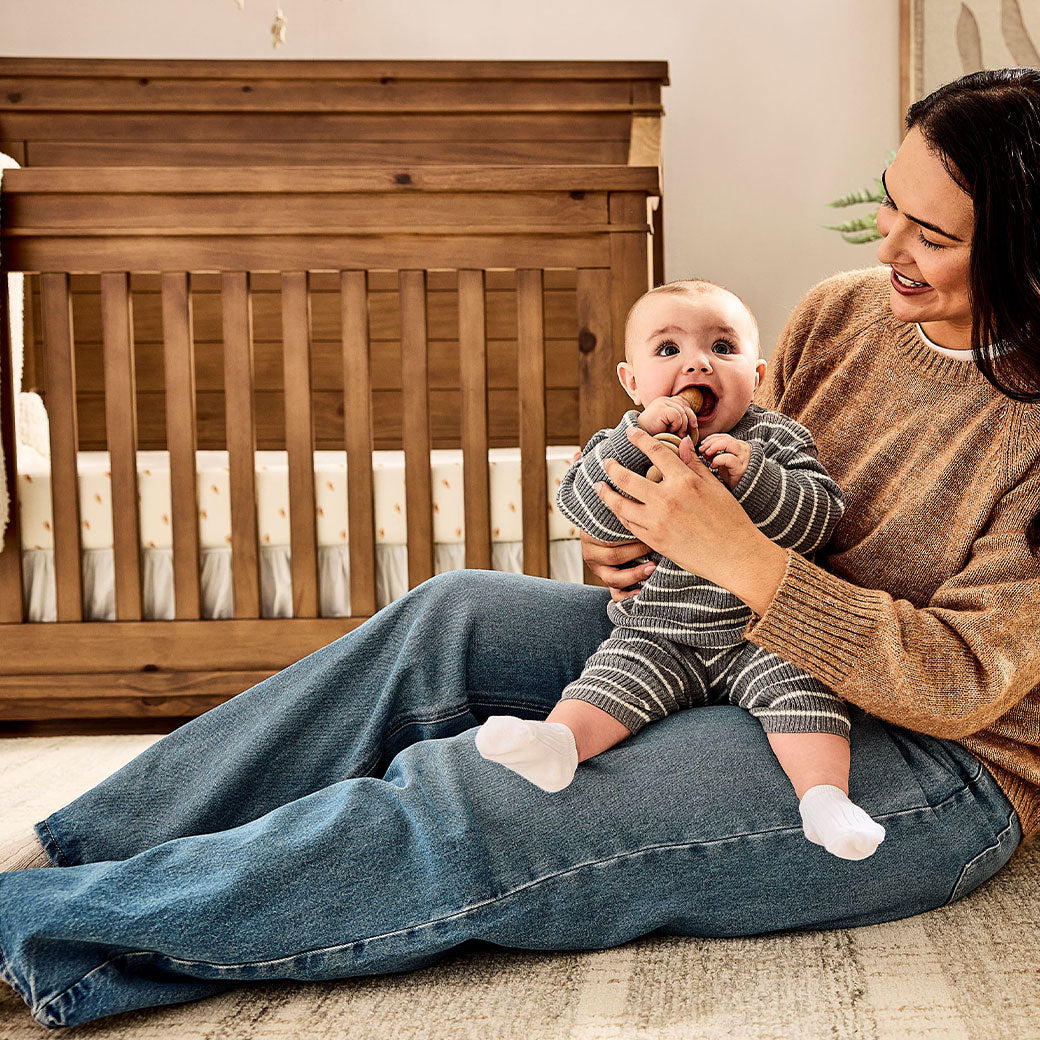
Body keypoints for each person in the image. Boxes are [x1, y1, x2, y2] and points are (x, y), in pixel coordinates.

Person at [1, 68, 1038, 1031]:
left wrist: (740, 558)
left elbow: (957, 681)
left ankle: (33, 929)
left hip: (932, 756)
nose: (887, 244)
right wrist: (637, 534)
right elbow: (762, 476)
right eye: (889, 204)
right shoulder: (842, 314)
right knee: (450, 613)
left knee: (491, 796)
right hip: (726, 634)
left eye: (930, 234)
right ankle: (61, 854)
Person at [475, 278, 886, 861]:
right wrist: (637, 442)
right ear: (632, 382)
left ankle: (825, 799)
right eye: (668, 349)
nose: (698, 364)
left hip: (763, 635)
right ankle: (559, 744)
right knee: (606, 681)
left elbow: (819, 520)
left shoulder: (776, 440)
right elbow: (584, 508)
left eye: (723, 347)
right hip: (657, 634)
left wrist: (756, 479)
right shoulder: (624, 442)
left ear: (758, 375)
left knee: (807, 698)